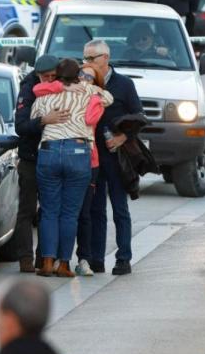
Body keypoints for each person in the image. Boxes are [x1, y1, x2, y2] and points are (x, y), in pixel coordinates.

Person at [30, 58, 110, 278]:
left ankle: (47, 262)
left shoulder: (44, 96)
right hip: (78, 151)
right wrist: (85, 87)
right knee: (69, 214)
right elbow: (108, 98)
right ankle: (64, 264)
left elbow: (34, 118)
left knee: (49, 211)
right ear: (78, 76)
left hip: (49, 151)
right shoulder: (88, 93)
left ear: (56, 76)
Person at [83, 39, 143, 275]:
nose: (86, 63)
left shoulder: (124, 84)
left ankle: (123, 258)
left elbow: (139, 116)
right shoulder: (84, 83)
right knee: (96, 210)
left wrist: (123, 138)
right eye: (84, 58)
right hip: (93, 156)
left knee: (120, 208)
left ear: (105, 58)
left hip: (116, 156)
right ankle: (97, 258)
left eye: (91, 58)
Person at [13, 54, 70, 273]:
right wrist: (43, 121)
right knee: (27, 211)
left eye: (53, 76)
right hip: (31, 157)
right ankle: (25, 259)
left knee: (48, 211)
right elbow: (21, 126)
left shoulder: (62, 85)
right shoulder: (28, 88)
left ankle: (43, 259)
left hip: (53, 157)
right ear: (38, 75)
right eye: (46, 77)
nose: (49, 80)